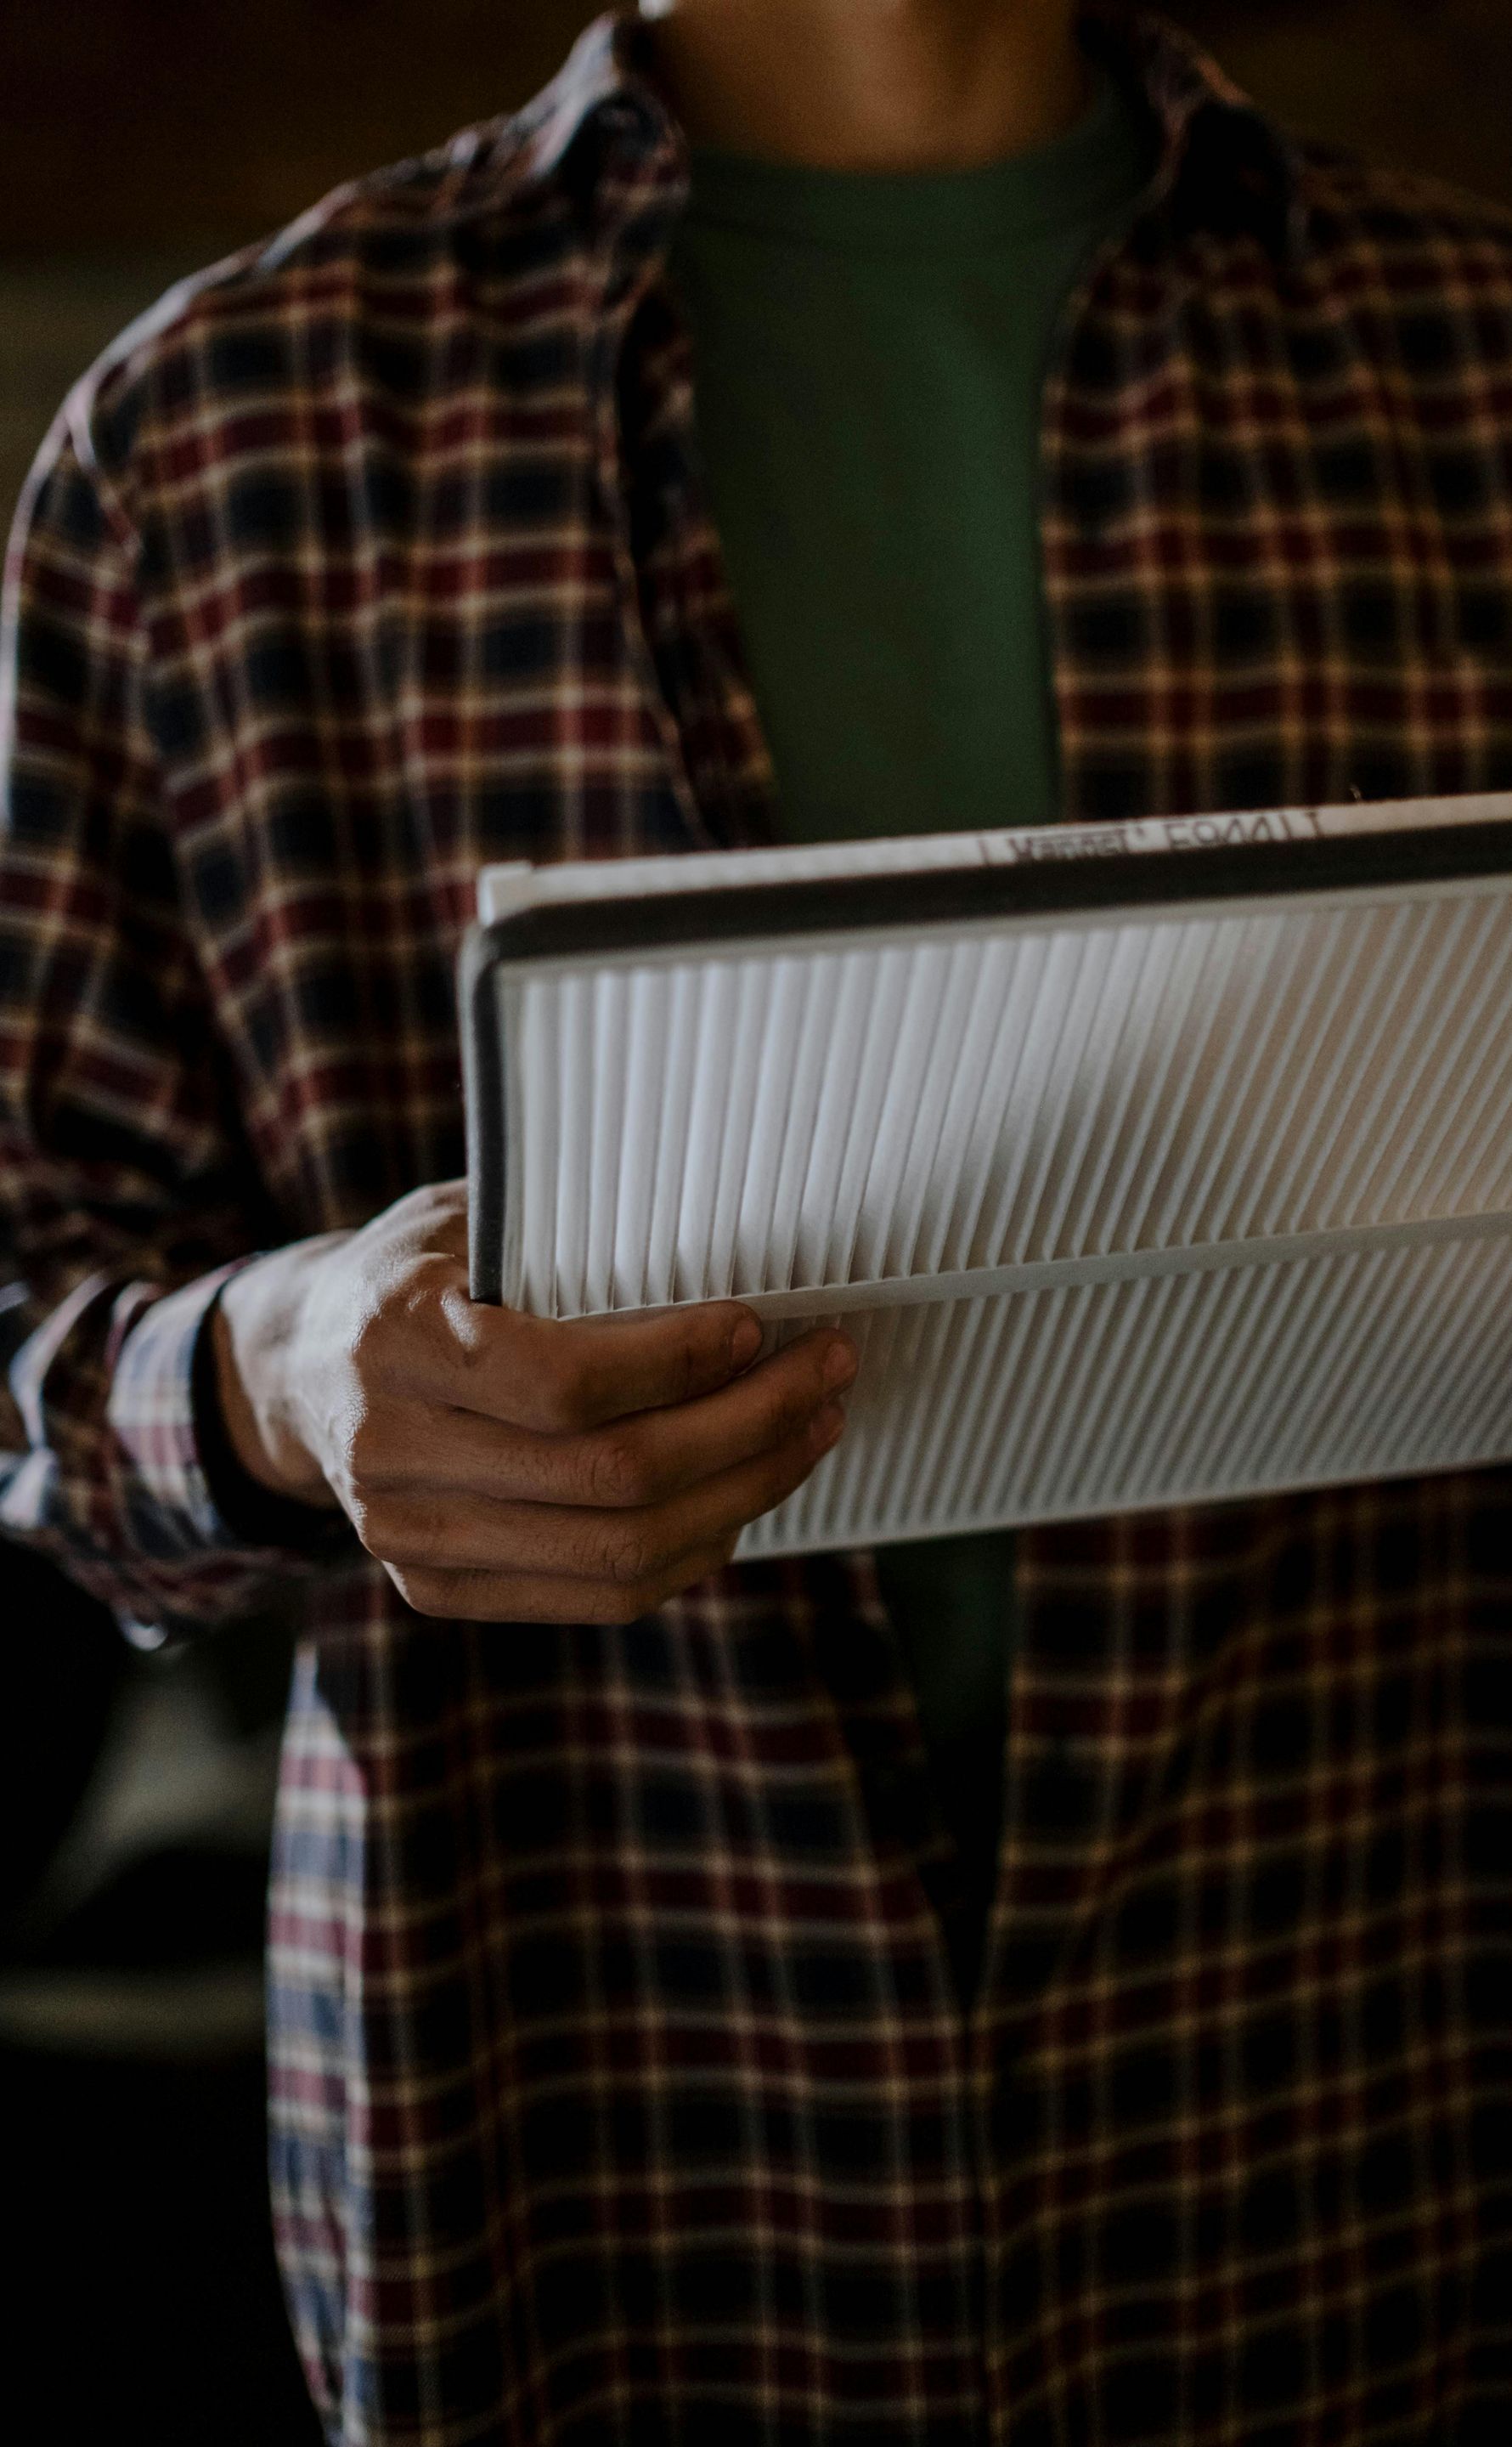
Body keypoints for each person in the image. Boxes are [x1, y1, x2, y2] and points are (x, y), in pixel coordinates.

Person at [2, 0, 1509, 2437]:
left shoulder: (1465, 361)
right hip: (589, 2167)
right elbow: (26, 1328)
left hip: (1354, 2132)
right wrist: (279, 1374)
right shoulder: (219, 433)